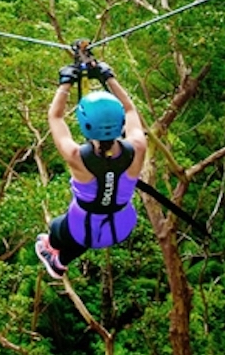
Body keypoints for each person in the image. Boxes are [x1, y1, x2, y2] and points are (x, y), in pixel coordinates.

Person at [35, 61, 148, 279]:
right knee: (85, 231)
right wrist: (108, 77)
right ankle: (60, 261)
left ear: (85, 124)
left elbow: (55, 117)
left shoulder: (77, 156)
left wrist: (65, 84)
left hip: (82, 227)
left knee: (57, 228)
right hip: (121, 225)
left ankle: (56, 256)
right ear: (120, 123)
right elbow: (130, 109)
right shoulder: (137, 148)